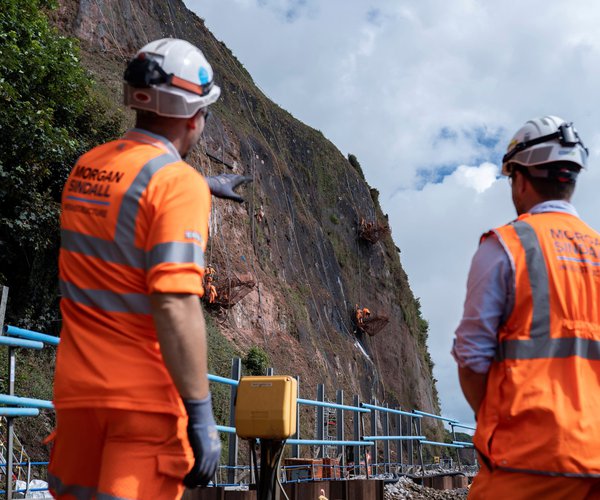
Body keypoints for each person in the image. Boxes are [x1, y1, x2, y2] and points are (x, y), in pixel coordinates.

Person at [49, 38, 248, 499]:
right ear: (192, 115)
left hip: (78, 393)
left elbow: (131, 195)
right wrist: (201, 413)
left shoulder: (88, 167)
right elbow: (176, 304)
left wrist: (202, 184)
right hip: (141, 403)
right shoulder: (176, 184)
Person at [452, 116, 600, 498]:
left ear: (519, 178)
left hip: (525, 461)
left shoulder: (505, 247)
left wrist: (497, 420)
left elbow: (471, 357)